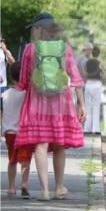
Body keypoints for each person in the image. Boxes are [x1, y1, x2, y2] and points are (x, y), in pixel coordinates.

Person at [14, 13, 85, 201]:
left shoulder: (30, 50)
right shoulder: (66, 49)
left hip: (37, 105)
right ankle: (59, 187)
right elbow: (76, 79)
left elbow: (22, 82)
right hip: (62, 104)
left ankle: (44, 190)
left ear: (40, 29)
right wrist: (81, 104)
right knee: (59, 145)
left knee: (41, 144)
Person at [2, 61, 32, 198]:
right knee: (25, 159)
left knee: (12, 160)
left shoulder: (5, 95)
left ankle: (11, 187)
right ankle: (24, 183)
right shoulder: (26, 94)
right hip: (24, 132)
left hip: (9, 133)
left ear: (10, 76)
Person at [83, 46, 103, 134]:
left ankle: (87, 129)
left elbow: (85, 74)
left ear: (92, 53)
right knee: (96, 108)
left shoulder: (87, 62)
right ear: (99, 54)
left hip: (88, 85)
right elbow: (103, 75)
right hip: (97, 85)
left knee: (88, 108)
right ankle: (96, 129)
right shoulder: (100, 63)